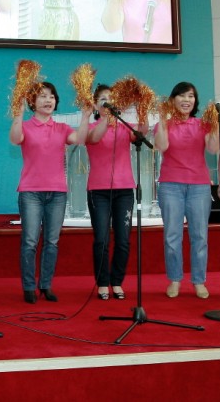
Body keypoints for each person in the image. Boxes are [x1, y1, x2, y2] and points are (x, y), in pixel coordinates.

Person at [10, 82, 91, 304]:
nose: (48, 100)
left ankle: (46, 285)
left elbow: (80, 140)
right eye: (42, 96)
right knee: (30, 241)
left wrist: (85, 117)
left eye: (52, 96)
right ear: (32, 102)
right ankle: (28, 287)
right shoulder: (26, 126)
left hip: (57, 192)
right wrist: (18, 114)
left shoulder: (62, 128)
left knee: (52, 241)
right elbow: (15, 139)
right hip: (31, 192)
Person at [154, 82, 219, 299]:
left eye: (191, 96)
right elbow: (162, 146)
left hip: (199, 186)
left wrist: (215, 124)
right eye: (182, 96)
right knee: (172, 236)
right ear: (173, 100)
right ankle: (175, 279)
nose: (186, 100)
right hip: (170, 185)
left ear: (195, 101)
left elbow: (213, 148)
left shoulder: (202, 124)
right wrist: (162, 119)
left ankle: (199, 281)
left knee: (199, 235)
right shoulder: (164, 124)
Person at [85, 84, 143, 301]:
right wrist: (107, 117)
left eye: (112, 98)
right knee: (101, 239)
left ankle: (117, 282)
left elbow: (142, 133)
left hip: (125, 191)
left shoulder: (125, 127)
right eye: (103, 99)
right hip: (98, 191)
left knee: (123, 240)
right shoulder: (90, 127)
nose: (108, 101)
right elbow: (95, 138)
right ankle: (102, 283)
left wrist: (144, 108)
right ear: (95, 105)